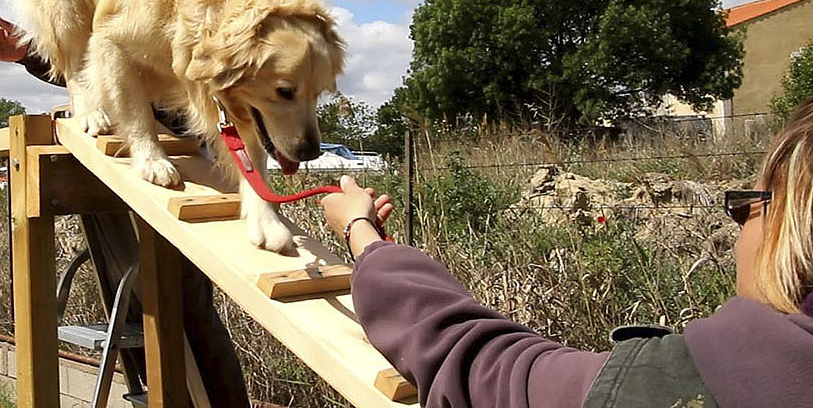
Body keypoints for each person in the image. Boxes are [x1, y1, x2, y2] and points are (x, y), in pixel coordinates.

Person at [0, 0, 250, 407]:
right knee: (129, 297)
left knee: (185, 300)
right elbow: (99, 58)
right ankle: (146, 395)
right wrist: (31, 54)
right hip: (120, 147)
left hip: (188, 144)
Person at [322, 101, 813, 408]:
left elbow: (482, 368)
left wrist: (360, 232)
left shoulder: (676, 387)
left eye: (750, 202)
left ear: (789, 222)